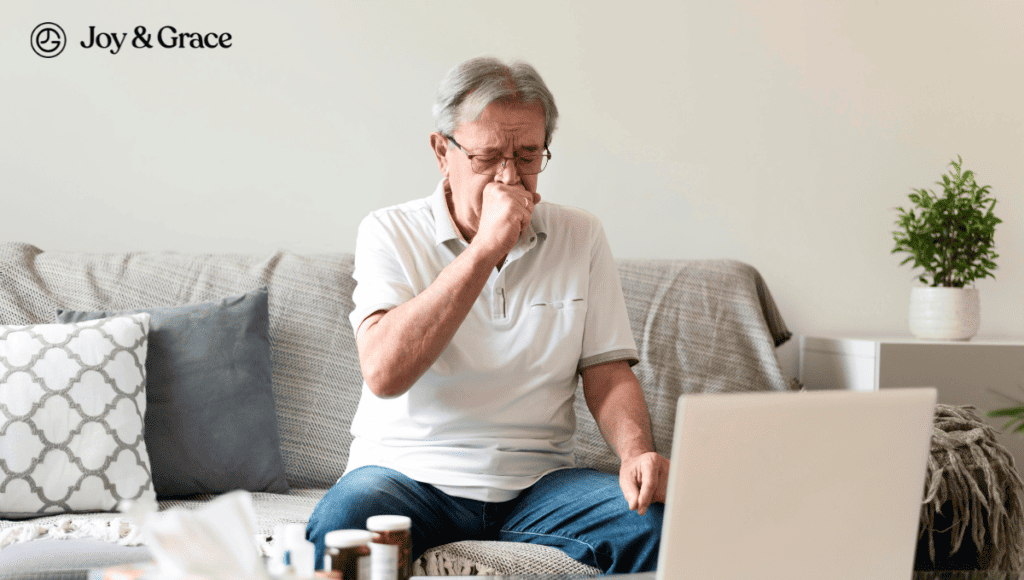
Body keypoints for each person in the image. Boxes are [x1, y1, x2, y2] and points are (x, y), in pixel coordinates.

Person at [306, 56, 669, 574]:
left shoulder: (580, 235)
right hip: (406, 477)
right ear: (441, 152)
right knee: (345, 525)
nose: (510, 178)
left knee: (659, 522)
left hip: (539, 484)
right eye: (488, 157)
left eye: (528, 155)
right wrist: (483, 251)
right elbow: (384, 373)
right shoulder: (387, 231)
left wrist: (636, 456)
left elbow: (608, 373)